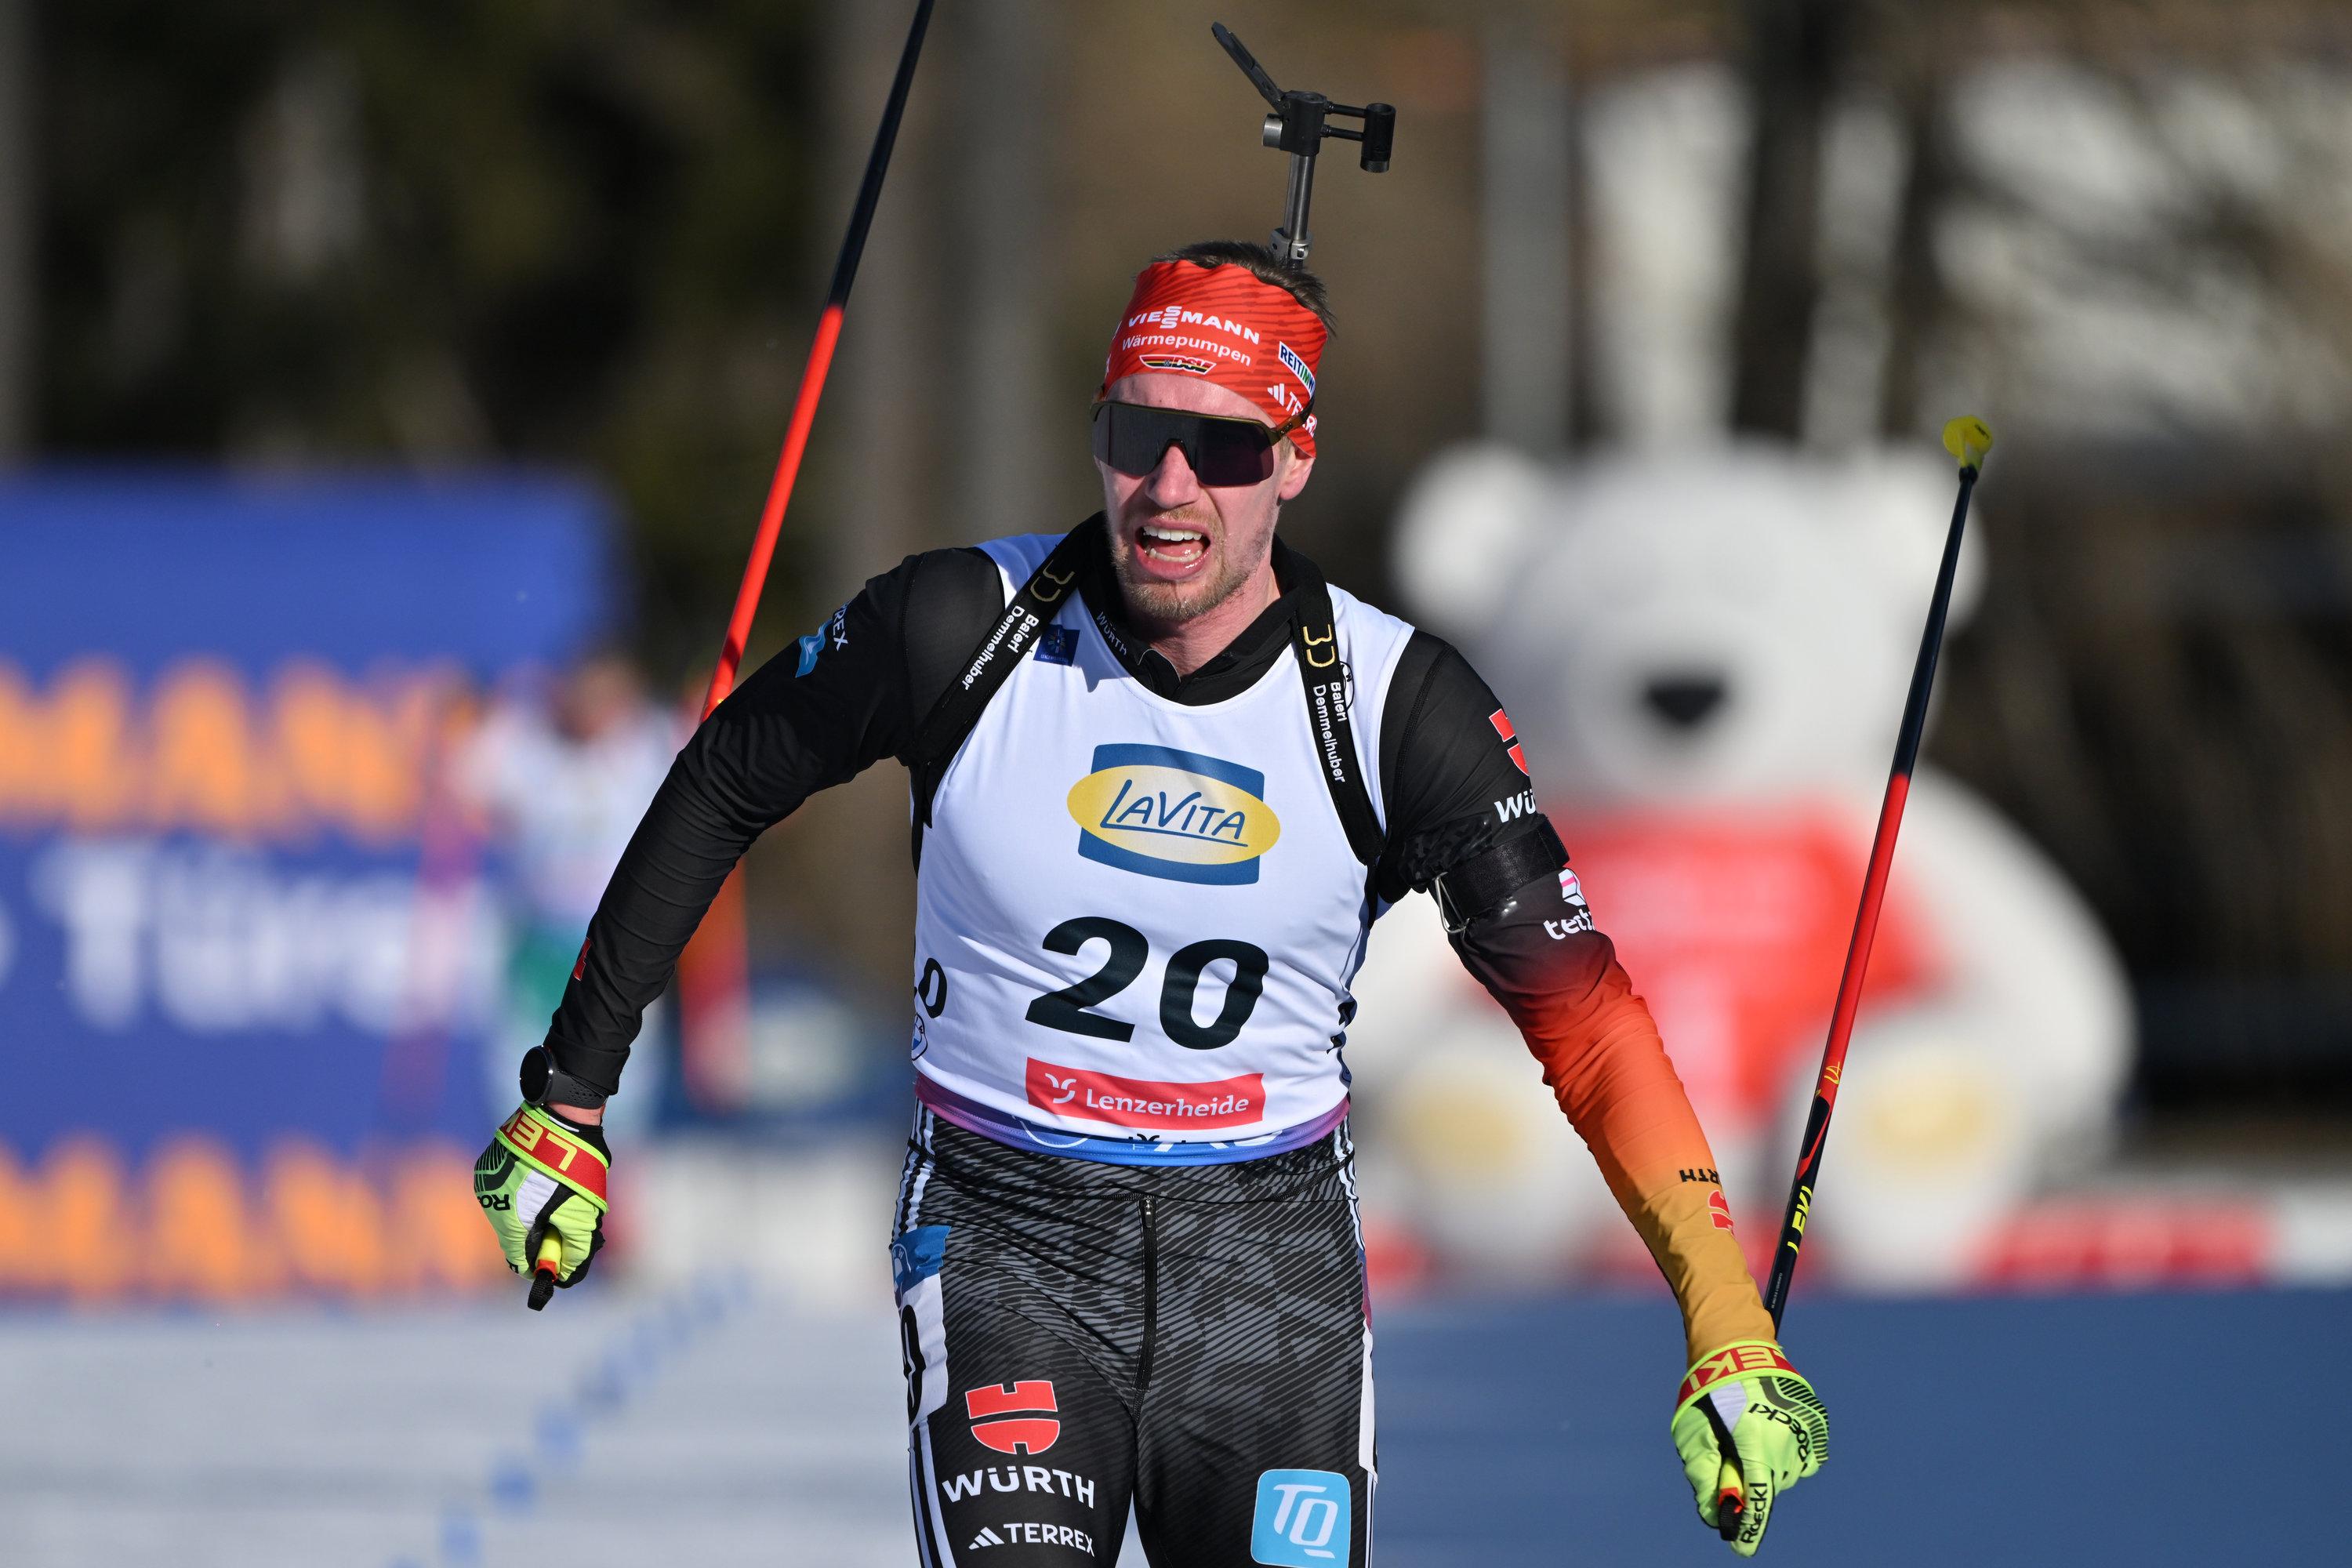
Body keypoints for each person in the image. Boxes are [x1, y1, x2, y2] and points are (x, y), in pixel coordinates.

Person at [472, 241, 1828, 1562]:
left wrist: (1725, 1318)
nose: (1170, 489)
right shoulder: (963, 623)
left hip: (1269, 1257)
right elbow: (723, 779)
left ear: (1295, 458)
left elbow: (1585, 1019)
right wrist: (571, 1095)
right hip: (1009, 1225)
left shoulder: (1398, 707)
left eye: (1224, 448)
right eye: (1138, 435)